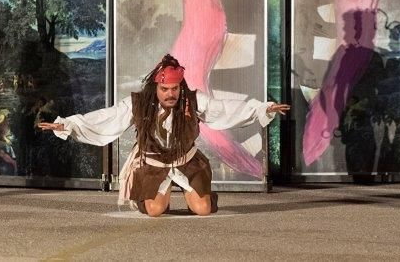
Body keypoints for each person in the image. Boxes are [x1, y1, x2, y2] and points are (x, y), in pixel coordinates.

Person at [39, 54, 290, 217]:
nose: (171, 94)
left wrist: (262, 109)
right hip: (153, 164)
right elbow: (107, 117)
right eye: (165, 89)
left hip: (186, 161)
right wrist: (68, 125)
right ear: (156, 87)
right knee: (155, 211)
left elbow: (224, 109)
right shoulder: (138, 103)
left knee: (203, 210)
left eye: (175, 88)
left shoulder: (192, 101)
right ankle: (148, 196)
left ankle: (199, 194)